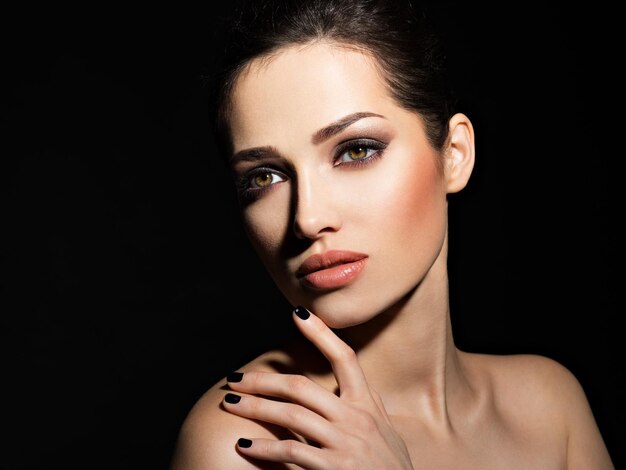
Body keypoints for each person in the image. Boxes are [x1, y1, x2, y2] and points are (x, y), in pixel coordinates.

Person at [170, 0, 615, 468]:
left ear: (455, 154)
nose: (306, 218)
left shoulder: (548, 405)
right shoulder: (246, 444)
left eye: (356, 150)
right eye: (265, 177)